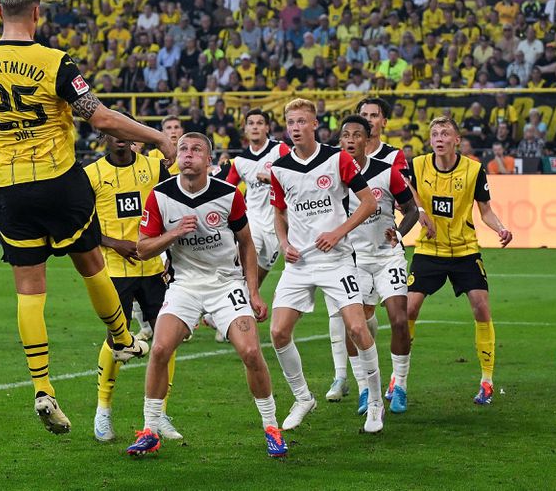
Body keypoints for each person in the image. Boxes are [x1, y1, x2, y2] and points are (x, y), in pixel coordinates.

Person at [0, 0, 174, 434]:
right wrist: (157, 137)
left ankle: (43, 388)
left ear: (0, 13)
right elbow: (98, 116)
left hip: (8, 185)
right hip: (58, 180)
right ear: (38, 13)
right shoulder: (56, 63)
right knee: (91, 261)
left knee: (28, 287)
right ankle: (121, 337)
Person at [127, 132, 286, 458]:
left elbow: (246, 242)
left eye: (196, 149)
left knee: (251, 352)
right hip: (185, 285)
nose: (187, 154)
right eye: (183, 148)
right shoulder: (160, 195)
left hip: (226, 284)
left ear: (208, 160)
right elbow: (142, 249)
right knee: (159, 348)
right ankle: (150, 430)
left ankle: (272, 427)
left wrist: (253, 292)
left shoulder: (228, 194)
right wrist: (173, 234)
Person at [268, 98, 384, 433]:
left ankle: (375, 404)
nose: (295, 128)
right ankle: (303, 397)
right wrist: (284, 243)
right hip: (300, 263)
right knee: (278, 332)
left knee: (358, 328)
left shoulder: (338, 159)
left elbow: (368, 201)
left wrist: (338, 232)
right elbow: (279, 213)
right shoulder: (280, 169)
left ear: (314, 124)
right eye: (291, 122)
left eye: (302, 121)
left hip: (336, 260)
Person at [406, 117, 513, 405]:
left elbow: (485, 210)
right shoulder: (416, 166)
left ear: (457, 140)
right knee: (409, 308)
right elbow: (404, 199)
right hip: (429, 249)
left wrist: (500, 227)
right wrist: (418, 209)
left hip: (465, 249)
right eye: (435, 134)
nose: (439, 138)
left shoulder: (474, 169)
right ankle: (399, 380)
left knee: (481, 306)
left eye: (445, 133)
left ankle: (487, 381)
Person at [85, 131, 182, 443]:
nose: (122, 139)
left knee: (167, 339)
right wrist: (116, 243)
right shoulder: (92, 174)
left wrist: (170, 252)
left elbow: (173, 208)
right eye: (114, 134)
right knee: (116, 340)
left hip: (153, 268)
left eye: (127, 133)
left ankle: (159, 413)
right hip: (114, 270)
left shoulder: (154, 168)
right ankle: (103, 410)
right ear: (104, 138)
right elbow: (81, 224)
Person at [325, 115, 419, 414]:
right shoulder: (333, 177)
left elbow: (412, 210)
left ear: (367, 140)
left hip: (386, 257)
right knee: (355, 326)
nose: (350, 140)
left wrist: (400, 234)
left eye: (356, 135)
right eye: (345, 135)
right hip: (353, 261)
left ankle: (400, 384)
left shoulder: (386, 173)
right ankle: (365, 388)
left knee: (399, 320)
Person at [225, 109, 291, 287]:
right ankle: (225, 310)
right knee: (241, 273)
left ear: (267, 127)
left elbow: (297, 177)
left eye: (259, 123)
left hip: (277, 224)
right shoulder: (239, 161)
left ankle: (246, 307)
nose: (255, 127)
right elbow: (226, 190)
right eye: (251, 123)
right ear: (245, 128)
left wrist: (272, 179)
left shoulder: (279, 150)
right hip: (252, 221)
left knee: (256, 282)